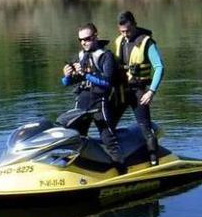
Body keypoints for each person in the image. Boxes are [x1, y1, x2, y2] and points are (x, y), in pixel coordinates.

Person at [62, 23, 124, 170]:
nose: (84, 42)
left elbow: (107, 82)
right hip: (82, 102)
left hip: (99, 102)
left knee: (108, 138)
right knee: (75, 137)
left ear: (95, 36)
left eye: (87, 38)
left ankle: (121, 170)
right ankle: (79, 169)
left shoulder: (105, 56)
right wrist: (67, 76)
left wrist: (86, 74)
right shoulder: (80, 56)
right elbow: (69, 82)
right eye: (81, 40)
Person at [111, 11, 164, 166]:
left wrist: (151, 91)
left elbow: (159, 67)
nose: (125, 34)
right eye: (122, 31)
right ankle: (115, 158)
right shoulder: (119, 41)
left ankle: (154, 161)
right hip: (122, 91)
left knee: (145, 127)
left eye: (128, 30)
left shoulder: (147, 42)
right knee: (109, 124)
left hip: (139, 92)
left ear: (134, 24)